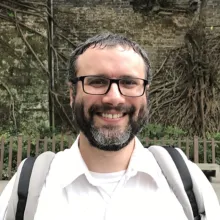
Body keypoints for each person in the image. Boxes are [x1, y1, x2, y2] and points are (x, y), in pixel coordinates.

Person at [0, 33, 219, 220]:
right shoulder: (26, 191)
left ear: (146, 94)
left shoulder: (188, 183)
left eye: (129, 82)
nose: (114, 98)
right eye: (97, 81)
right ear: (71, 94)